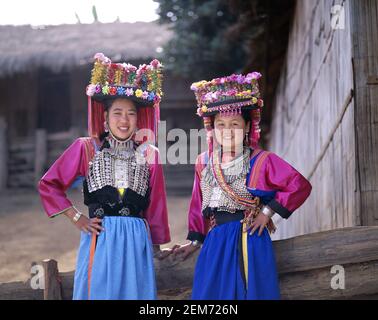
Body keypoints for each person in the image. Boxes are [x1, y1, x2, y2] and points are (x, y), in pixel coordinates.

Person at [38, 53, 171, 300]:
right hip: (101, 240)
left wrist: (155, 248)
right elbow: (49, 184)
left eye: (131, 113)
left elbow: (156, 207)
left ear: (138, 118)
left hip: (137, 243)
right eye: (117, 112)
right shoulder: (86, 148)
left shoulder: (149, 154)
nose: (124, 120)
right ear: (105, 118)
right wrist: (77, 217)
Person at [173, 72, 312, 299]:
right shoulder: (203, 163)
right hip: (215, 242)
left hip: (249, 236)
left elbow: (299, 185)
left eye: (234, 123)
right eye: (221, 124)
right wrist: (195, 240)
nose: (227, 130)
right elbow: (197, 203)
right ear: (213, 128)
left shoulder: (262, 161)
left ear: (247, 126)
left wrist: (267, 213)